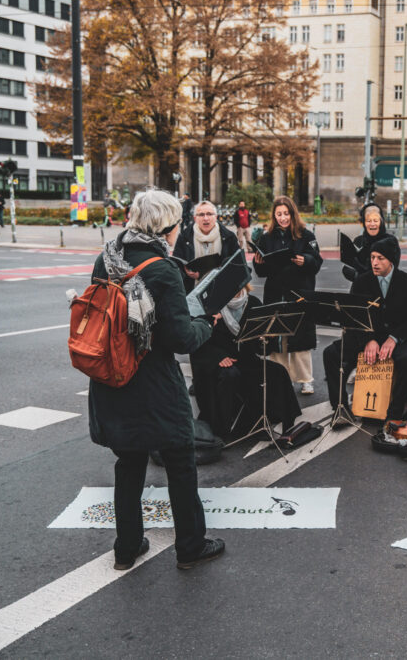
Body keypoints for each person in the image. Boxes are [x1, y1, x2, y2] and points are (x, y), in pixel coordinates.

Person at [87, 189, 224, 570]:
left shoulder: (107, 258)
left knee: (129, 463)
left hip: (113, 377)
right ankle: (191, 547)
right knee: (181, 462)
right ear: (167, 228)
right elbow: (179, 338)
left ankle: (127, 546)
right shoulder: (163, 269)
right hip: (153, 383)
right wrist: (205, 324)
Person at [323, 237, 407, 423]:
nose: (375, 262)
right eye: (372, 257)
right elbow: (354, 315)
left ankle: (394, 414)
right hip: (367, 335)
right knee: (331, 353)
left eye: (380, 258)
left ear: (391, 259)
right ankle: (341, 408)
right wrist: (368, 339)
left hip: (397, 337)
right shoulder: (362, 281)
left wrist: (394, 338)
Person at [190, 281, 301, 441]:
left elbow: (260, 350)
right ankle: (223, 429)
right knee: (230, 375)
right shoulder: (211, 307)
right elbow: (198, 342)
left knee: (277, 371)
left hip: (246, 359)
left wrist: (266, 340)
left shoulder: (253, 303)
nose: (236, 289)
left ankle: (287, 424)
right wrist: (218, 357)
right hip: (218, 362)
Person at [252, 196, 323, 395]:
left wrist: (306, 260)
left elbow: (317, 263)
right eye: (279, 214)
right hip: (276, 293)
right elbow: (261, 273)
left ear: (293, 214)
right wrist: (259, 263)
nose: (283, 218)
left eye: (286, 214)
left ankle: (305, 379)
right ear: (274, 216)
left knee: (300, 338)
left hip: (299, 292)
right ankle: (280, 378)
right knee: (276, 338)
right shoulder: (266, 238)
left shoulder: (306, 235)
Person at [173, 201, 241, 292]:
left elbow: (237, 265)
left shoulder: (229, 237)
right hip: (192, 290)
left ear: (216, 217)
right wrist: (187, 272)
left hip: (221, 289)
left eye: (209, 214)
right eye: (201, 215)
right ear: (195, 218)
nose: (205, 218)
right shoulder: (184, 237)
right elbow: (176, 266)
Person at [343, 205, 394, 283]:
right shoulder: (359, 240)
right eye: (368, 220)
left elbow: (384, 273)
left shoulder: (389, 242)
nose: (372, 224)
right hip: (358, 291)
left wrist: (357, 274)